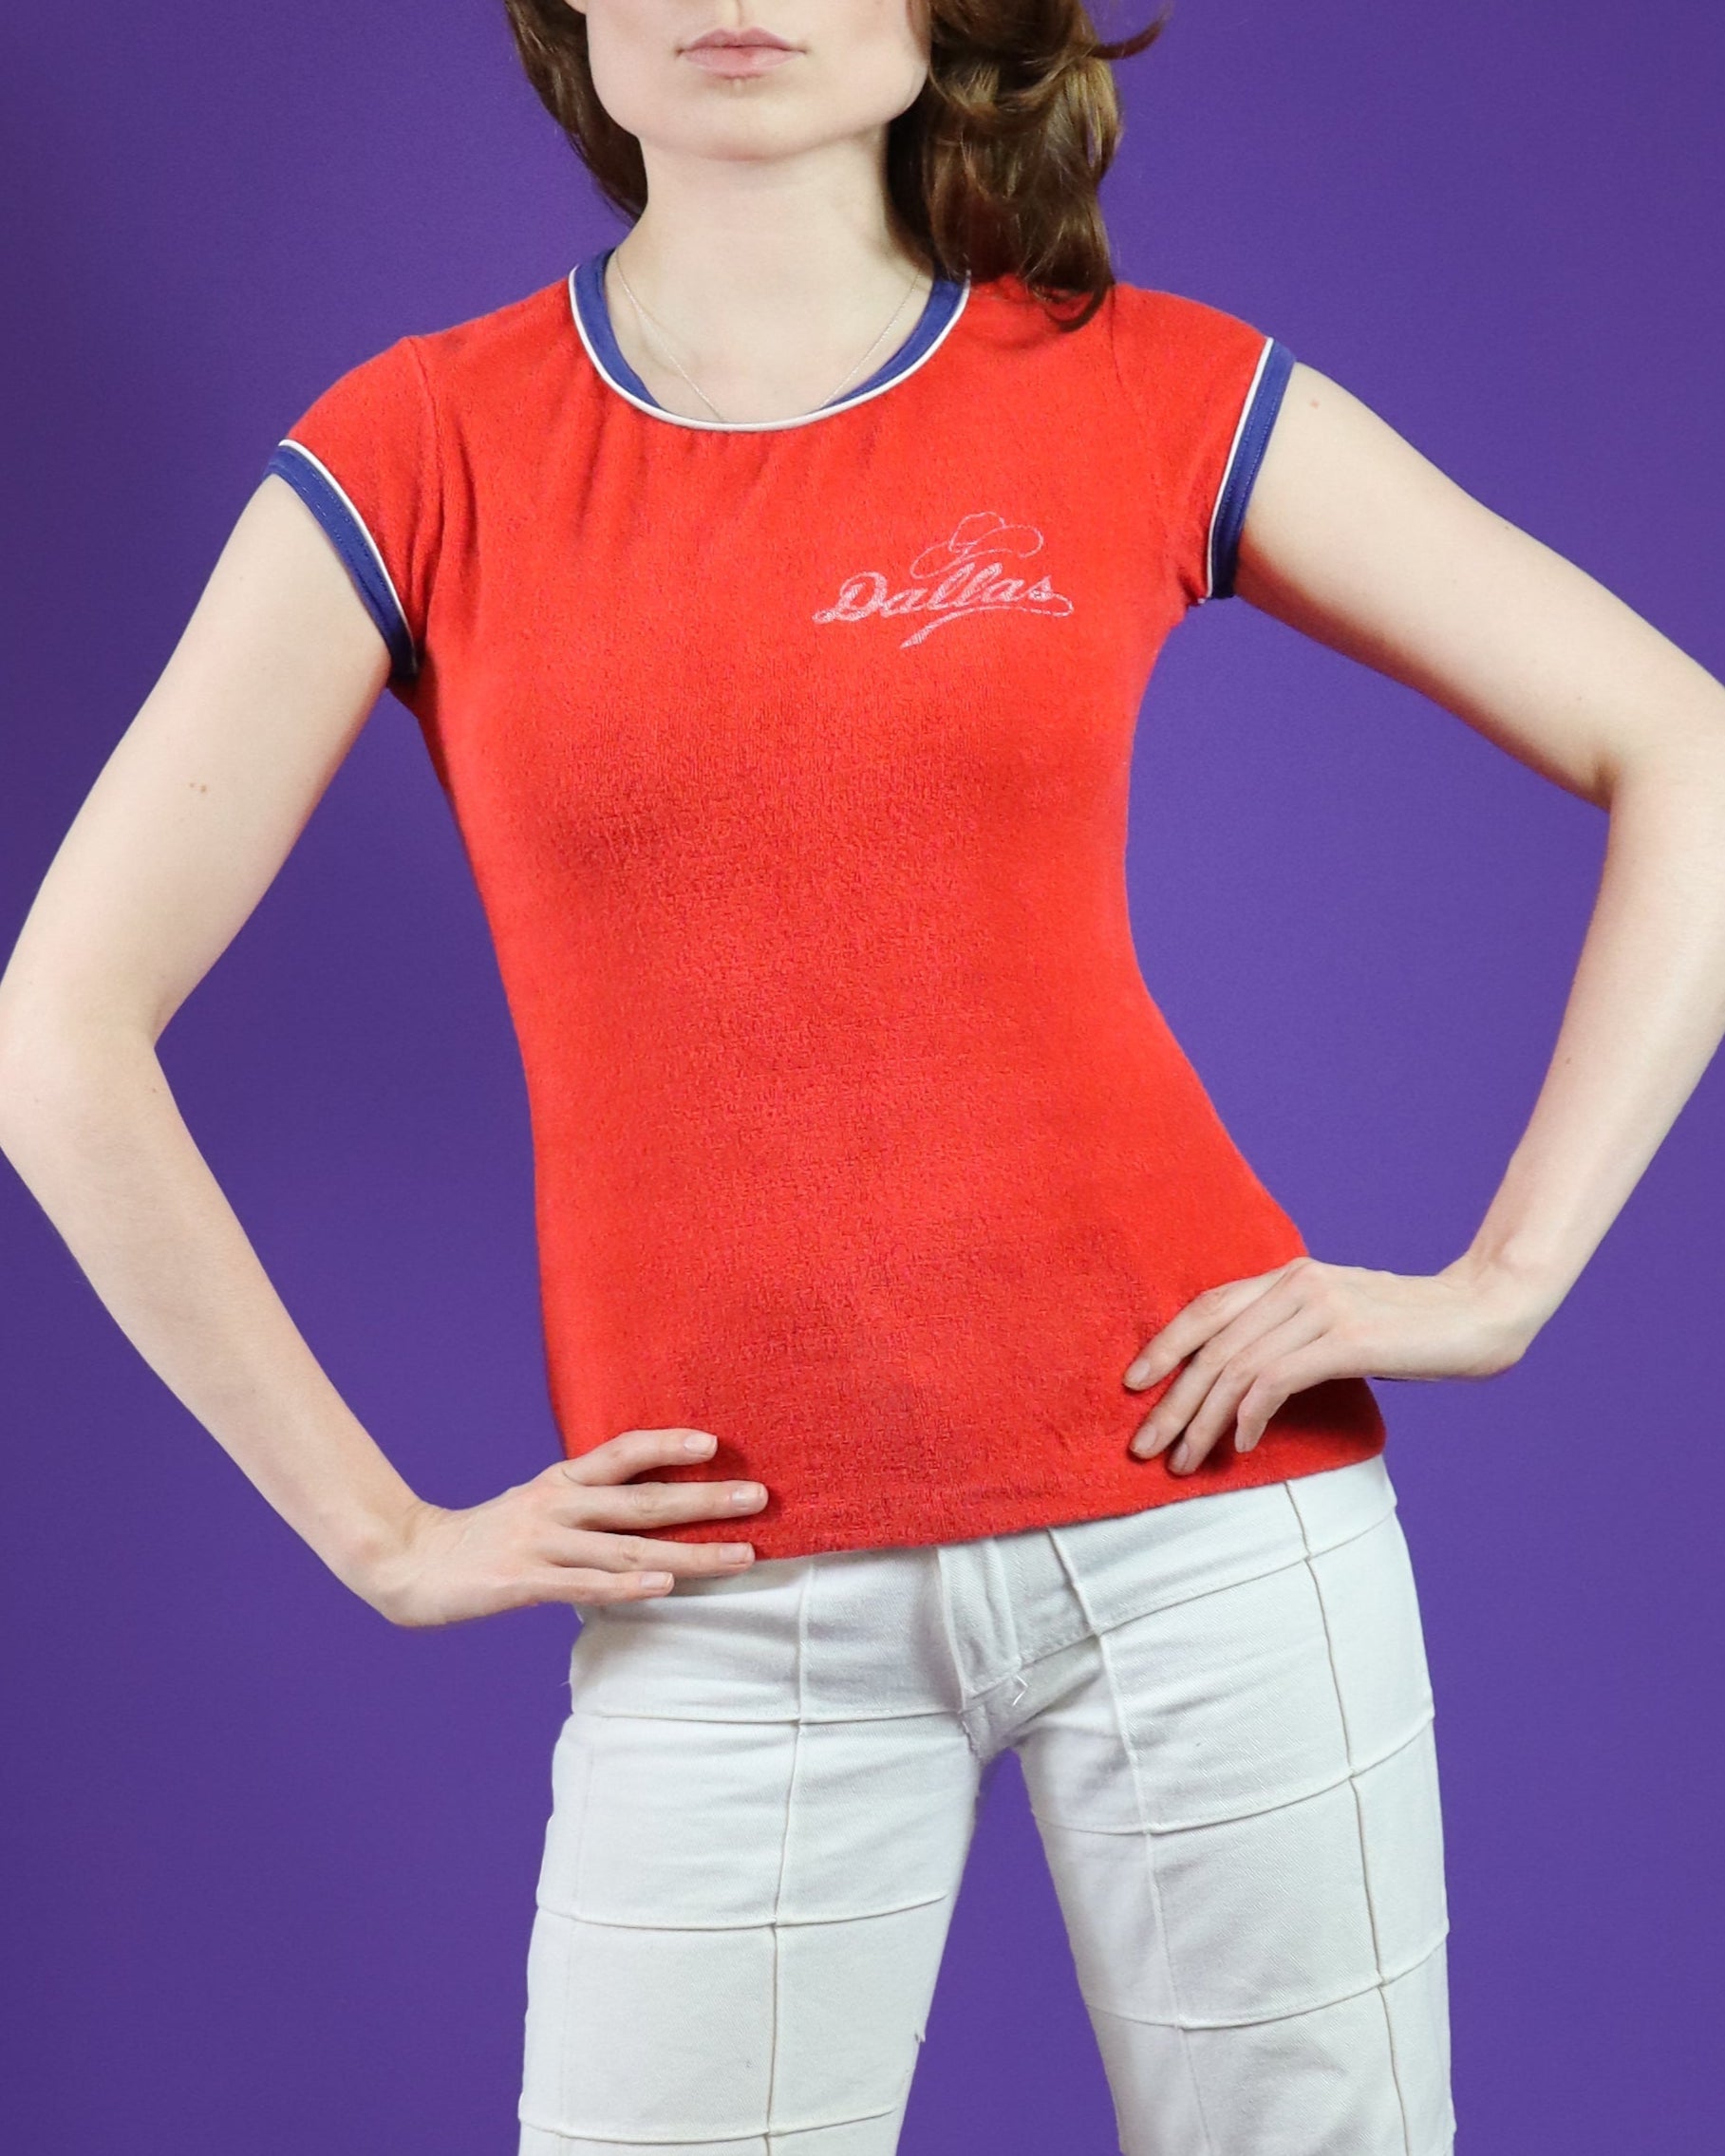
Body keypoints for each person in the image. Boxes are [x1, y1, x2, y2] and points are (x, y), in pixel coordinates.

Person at [2, 0, 1723, 2148]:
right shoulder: (418, 447)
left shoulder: (1144, 383)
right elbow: (56, 1031)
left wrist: (1505, 1281)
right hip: (723, 1594)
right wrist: (383, 1535)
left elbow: (1687, 748)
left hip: (1215, 1535)